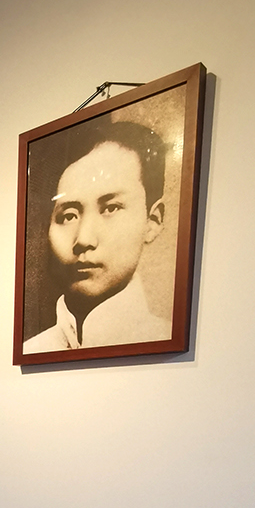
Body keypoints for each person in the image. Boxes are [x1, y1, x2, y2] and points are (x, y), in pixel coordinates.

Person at [22, 118, 172, 353]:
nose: (83, 239)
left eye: (111, 208)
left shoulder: (165, 338)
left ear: (152, 221)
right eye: (68, 216)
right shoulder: (33, 350)